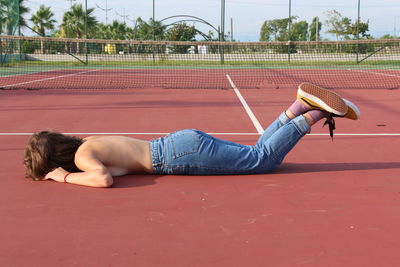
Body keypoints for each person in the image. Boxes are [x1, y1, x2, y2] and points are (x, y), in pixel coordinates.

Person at [23, 83, 360, 188]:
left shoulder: (82, 159)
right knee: (255, 150)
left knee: (261, 161)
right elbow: (115, 170)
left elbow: (103, 180)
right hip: (179, 141)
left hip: (174, 157)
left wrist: (65, 178)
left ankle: (316, 113)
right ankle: (298, 105)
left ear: (55, 160)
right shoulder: (89, 143)